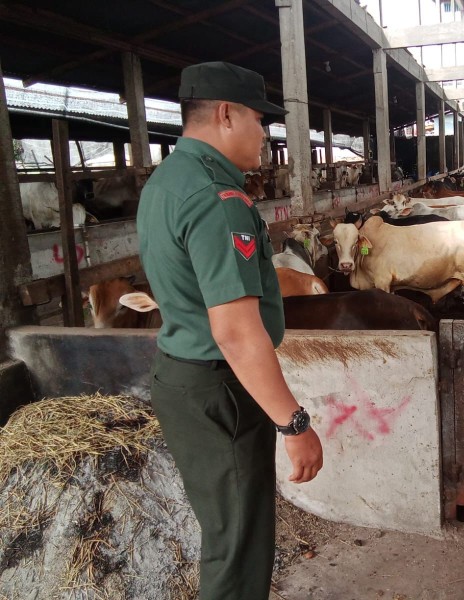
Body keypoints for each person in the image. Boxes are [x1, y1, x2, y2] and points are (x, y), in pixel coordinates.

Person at [137, 61, 323, 600]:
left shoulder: (166, 182)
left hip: (182, 378)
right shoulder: (218, 201)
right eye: (259, 120)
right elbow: (237, 334)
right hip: (220, 391)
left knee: (226, 531)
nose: (265, 134)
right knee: (239, 546)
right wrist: (295, 424)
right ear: (225, 114)